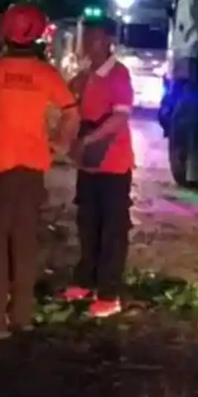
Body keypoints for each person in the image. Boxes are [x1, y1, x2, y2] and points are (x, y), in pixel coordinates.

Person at [0, 4, 80, 340]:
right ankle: (23, 316)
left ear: (5, 32)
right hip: (32, 167)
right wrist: (55, 144)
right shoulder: (46, 74)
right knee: (25, 242)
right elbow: (73, 114)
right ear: (40, 34)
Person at [61, 17, 136, 318]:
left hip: (114, 165)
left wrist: (88, 140)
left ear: (107, 41)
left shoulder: (118, 75)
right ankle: (85, 281)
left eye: (92, 38)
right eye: (85, 38)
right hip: (90, 164)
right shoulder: (88, 75)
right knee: (88, 224)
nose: (87, 44)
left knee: (112, 230)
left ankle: (109, 293)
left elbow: (119, 118)